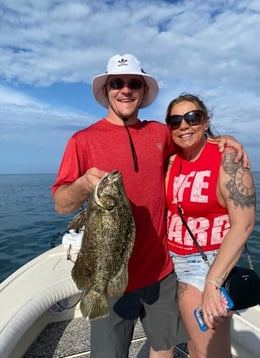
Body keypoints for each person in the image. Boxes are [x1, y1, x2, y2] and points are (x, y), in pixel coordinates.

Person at [52, 54, 248, 358]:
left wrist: (225, 140)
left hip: (162, 273)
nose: (125, 90)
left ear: (143, 92)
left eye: (134, 83)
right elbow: (61, 204)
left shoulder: (159, 132)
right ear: (106, 90)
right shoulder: (82, 140)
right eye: (117, 83)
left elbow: (191, 141)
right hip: (111, 276)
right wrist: (82, 185)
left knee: (163, 349)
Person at [165, 93, 256, 358]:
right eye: (175, 120)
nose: (184, 125)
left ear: (206, 121)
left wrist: (212, 283)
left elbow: (244, 224)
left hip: (205, 266)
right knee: (194, 345)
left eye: (193, 117)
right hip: (170, 262)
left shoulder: (227, 159)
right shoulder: (171, 161)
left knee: (210, 353)